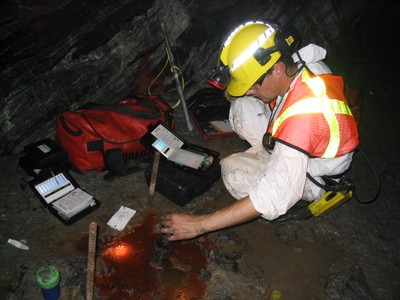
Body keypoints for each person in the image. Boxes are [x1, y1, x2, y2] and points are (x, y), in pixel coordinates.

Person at [160, 20, 359, 241]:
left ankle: (298, 201)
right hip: (303, 140)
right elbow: (267, 96)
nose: (251, 90)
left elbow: (272, 194)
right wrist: (241, 90)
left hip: (315, 172)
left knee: (233, 171)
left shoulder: (303, 119)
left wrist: (199, 225)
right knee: (241, 104)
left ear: (277, 69)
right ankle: (274, 159)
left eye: (254, 85)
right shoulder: (300, 62)